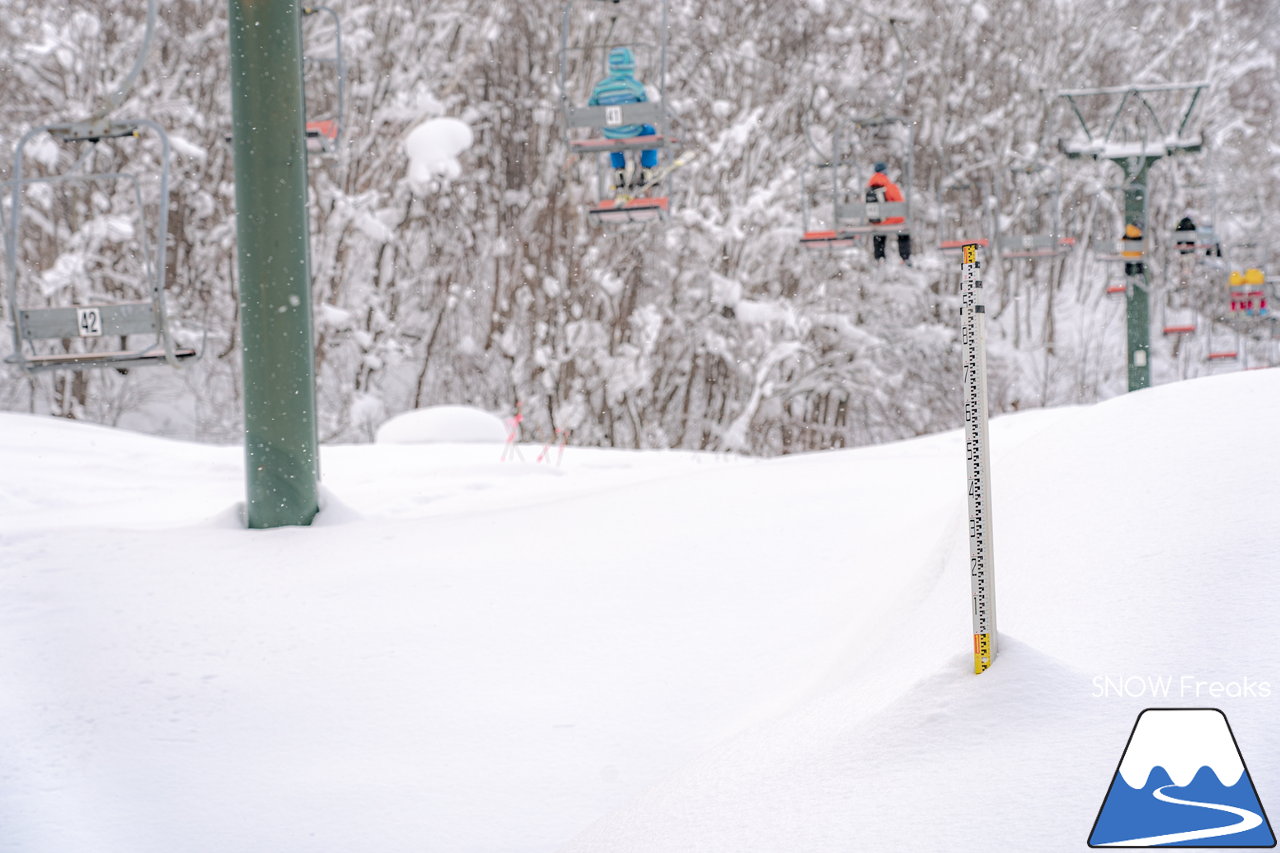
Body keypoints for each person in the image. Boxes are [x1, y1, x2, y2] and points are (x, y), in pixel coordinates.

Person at [588, 46, 658, 190]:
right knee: (650, 132)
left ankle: (619, 171)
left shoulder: (600, 87)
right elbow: (645, 107)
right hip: (634, 130)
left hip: (611, 132)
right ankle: (647, 169)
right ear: (630, 66)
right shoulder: (634, 86)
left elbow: (592, 106)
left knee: (613, 139)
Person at [867, 162, 911, 265]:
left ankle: (879, 256)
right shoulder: (889, 186)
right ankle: (905, 257)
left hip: (876, 220)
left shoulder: (868, 187)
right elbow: (899, 204)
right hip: (889, 220)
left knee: (879, 232)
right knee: (903, 229)